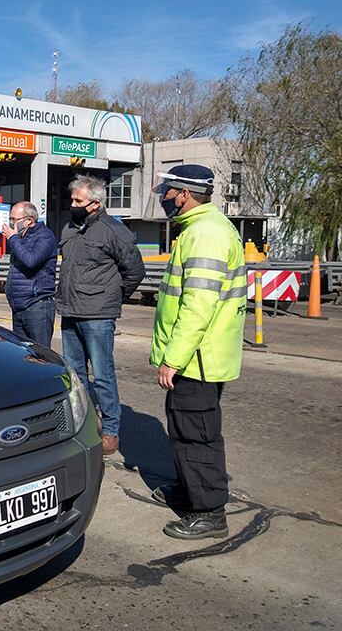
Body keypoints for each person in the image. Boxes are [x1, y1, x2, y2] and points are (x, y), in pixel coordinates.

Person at [149, 165, 247, 540]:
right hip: (202, 355)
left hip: (196, 358)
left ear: (184, 194)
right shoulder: (205, 228)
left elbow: (197, 306)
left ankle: (208, 511)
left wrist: (173, 357)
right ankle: (191, 490)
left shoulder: (205, 234)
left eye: (168, 191)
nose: (165, 198)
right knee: (187, 428)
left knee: (196, 434)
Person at [57, 175, 144, 456]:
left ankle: (110, 431)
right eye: (72, 199)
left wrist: (112, 298)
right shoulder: (70, 229)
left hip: (97, 316)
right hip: (70, 312)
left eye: (78, 200)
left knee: (103, 376)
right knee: (75, 375)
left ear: (95, 204)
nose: (72, 204)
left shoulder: (113, 230)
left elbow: (135, 271)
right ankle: (83, 424)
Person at [2, 201, 57, 347]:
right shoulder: (21, 238)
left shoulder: (45, 236)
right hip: (19, 306)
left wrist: (13, 239)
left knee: (40, 354)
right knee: (22, 355)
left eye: (14, 220)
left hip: (36, 305)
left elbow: (31, 260)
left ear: (29, 221)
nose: (11, 223)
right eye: (10, 219)